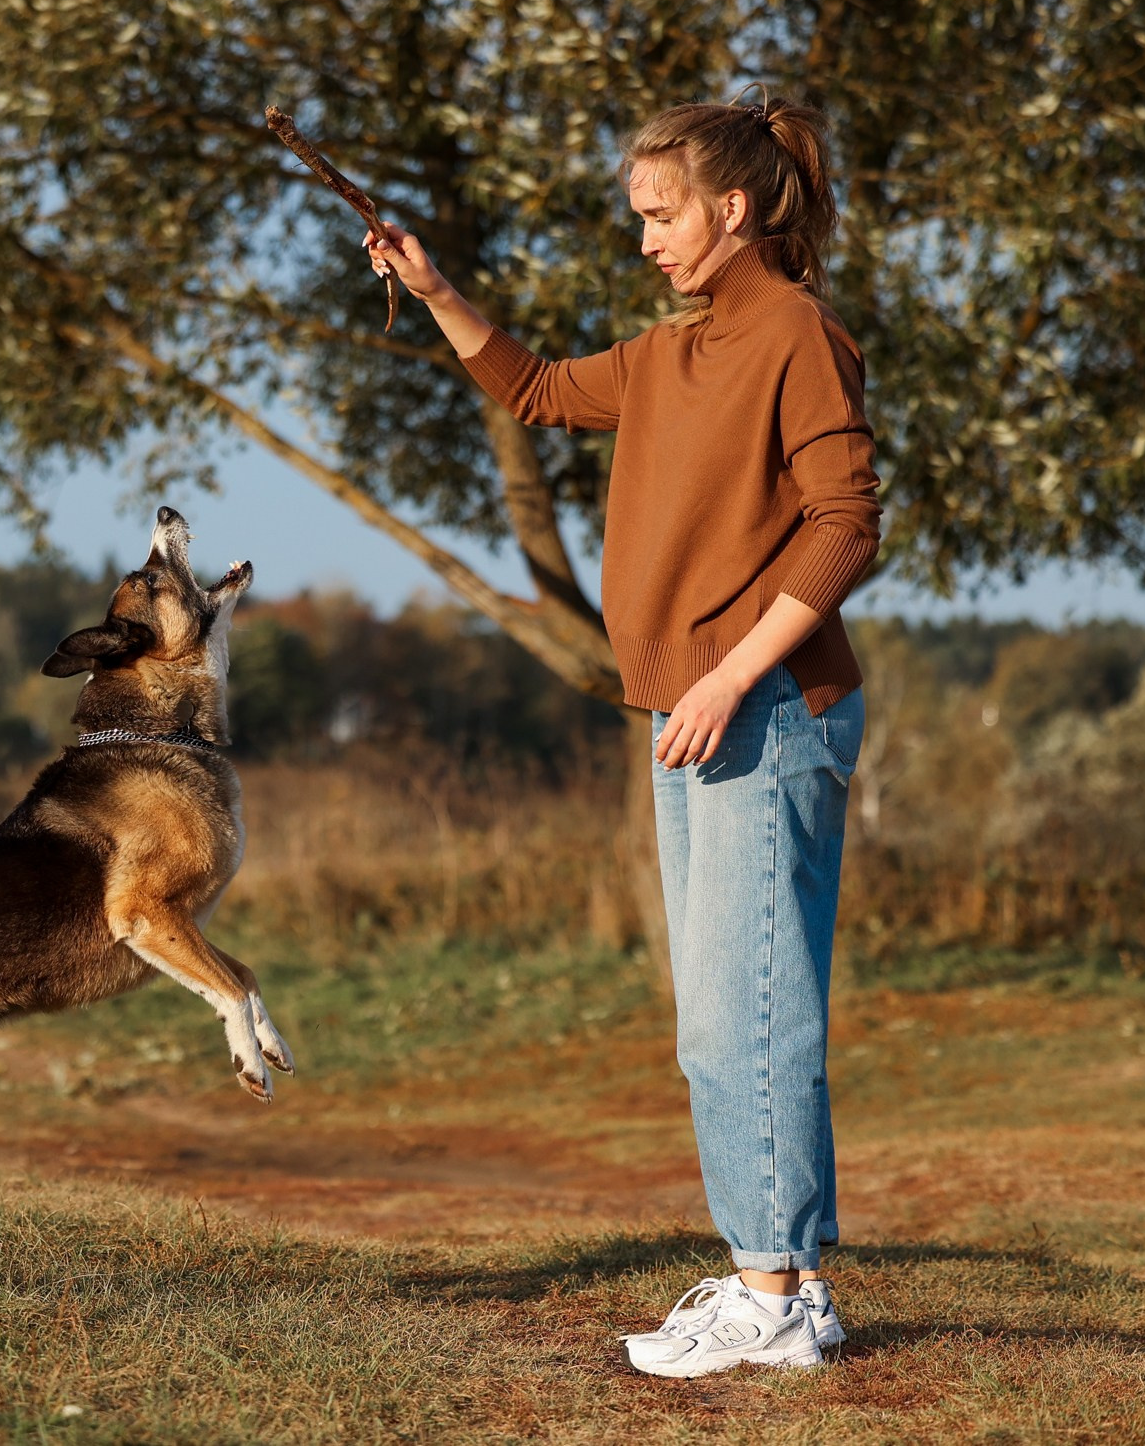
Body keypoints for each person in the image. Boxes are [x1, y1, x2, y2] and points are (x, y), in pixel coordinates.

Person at [365, 92, 879, 1376]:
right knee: (733, 1011)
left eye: (660, 215)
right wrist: (433, 288)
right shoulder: (670, 353)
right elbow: (534, 389)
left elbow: (846, 522)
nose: (645, 239)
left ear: (734, 208)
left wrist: (726, 675)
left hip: (760, 709)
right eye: (638, 218)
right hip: (699, 712)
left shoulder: (798, 336)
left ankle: (768, 1291)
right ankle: (789, 1281)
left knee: (739, 1017)